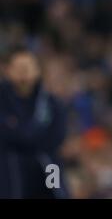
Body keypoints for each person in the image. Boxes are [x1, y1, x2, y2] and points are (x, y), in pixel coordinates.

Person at [0, 46, 69, 198]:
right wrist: (33, 135)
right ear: (7, 70)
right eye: (18, 67)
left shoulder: (52, 103)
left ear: (38, 70)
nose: (23, 72)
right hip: (9, 168)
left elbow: (57, 137)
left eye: (28, 67)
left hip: (49, 164)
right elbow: (5, 135)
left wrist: (21, 133)